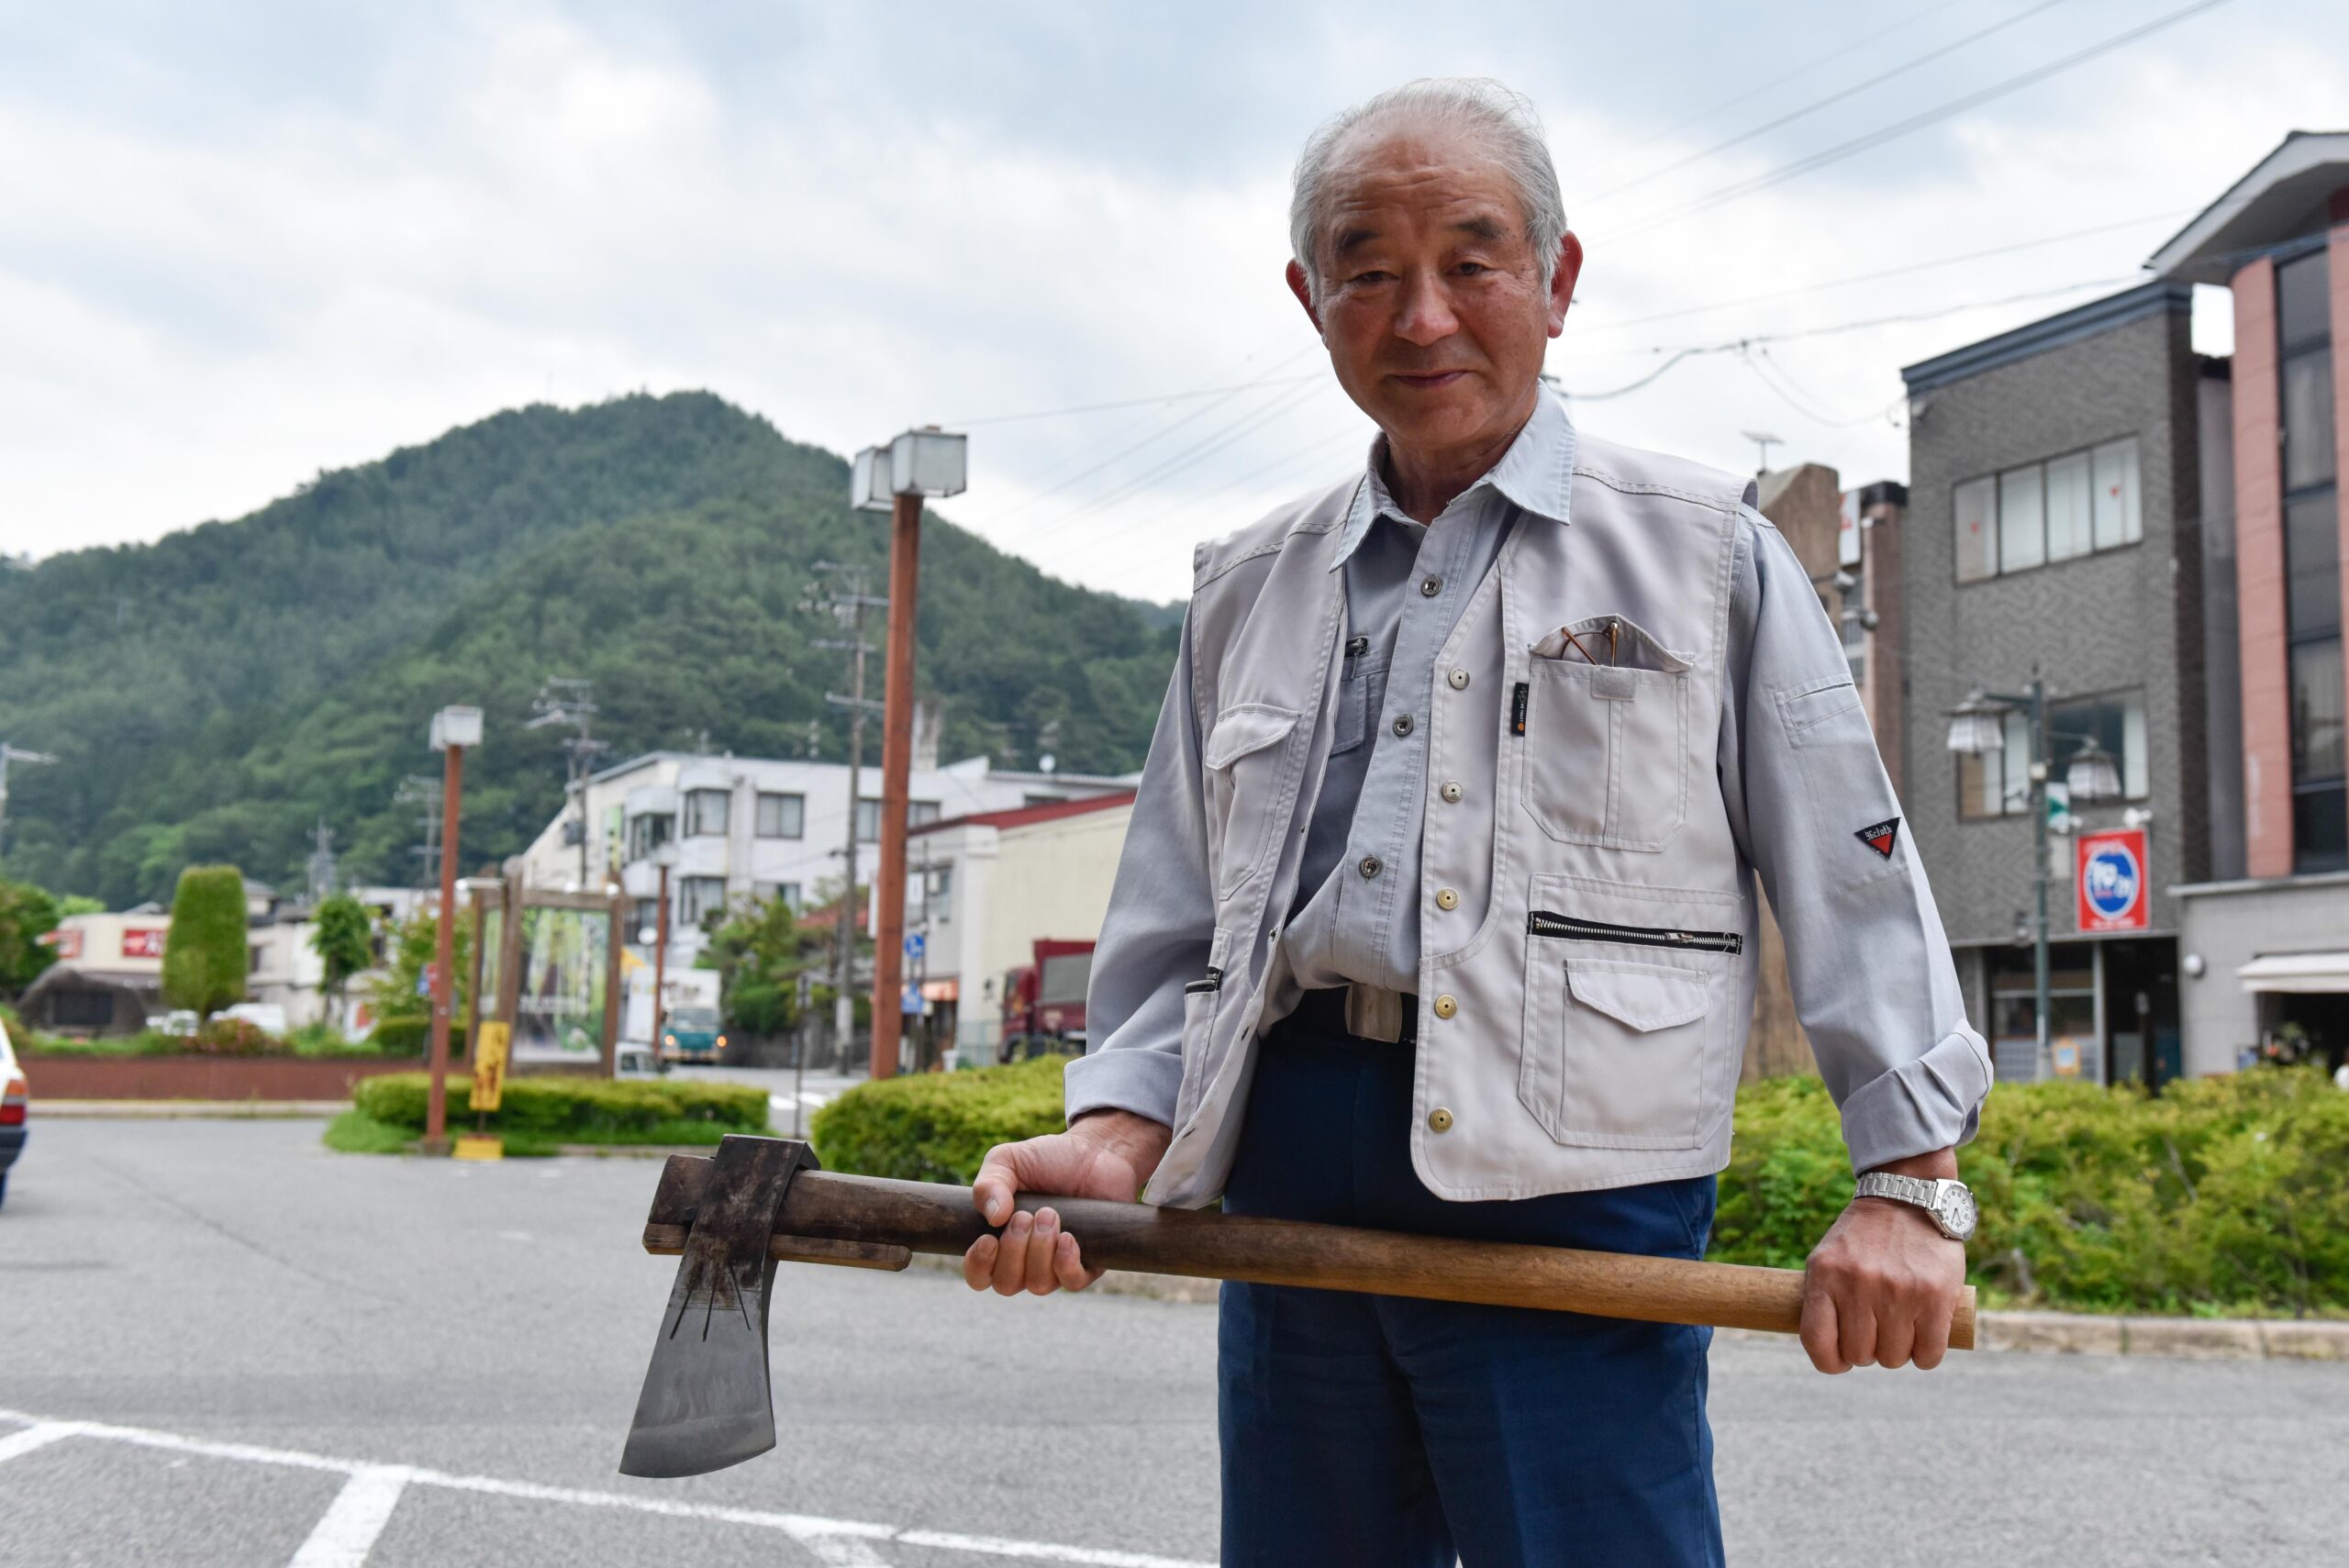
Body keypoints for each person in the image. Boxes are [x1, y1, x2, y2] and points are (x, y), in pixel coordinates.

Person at [962, 78, 1991, 1567]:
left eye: (1471, 259)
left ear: (1558, 283)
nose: (1421, 314)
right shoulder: (1249, 585)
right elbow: (1179, 911)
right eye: (1366, 267)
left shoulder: (1706, 555)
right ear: (1312, 300)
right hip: (1295, 1160)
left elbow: (1855, 872)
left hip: (1577, 1182)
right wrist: (1116, 1129)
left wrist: (1908, 1184)